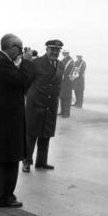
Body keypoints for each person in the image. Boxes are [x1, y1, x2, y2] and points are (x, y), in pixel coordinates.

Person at [0, 34, 31, 207]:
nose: (21, 52)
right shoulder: (2, 62)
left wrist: (21, 63)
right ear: (11, 47)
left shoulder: (0, 61)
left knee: (2, 159)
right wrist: (25, 62)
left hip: (4, 118)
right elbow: (22, 80)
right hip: (8, 120)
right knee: (10, 158)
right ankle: (4, 197)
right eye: (19, 48)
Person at [22, 40, 64, 173]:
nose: (55, 53)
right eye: (52, 49)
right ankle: (26, 162)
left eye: (57, 50)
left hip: (51, 104)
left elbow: (58, 84)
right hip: (35, 104)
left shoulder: (61, 65)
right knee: (31, 134)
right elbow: (26, 82)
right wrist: (32, 97)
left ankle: (41, 162)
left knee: (46, 134)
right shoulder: (37, 63)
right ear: (46, 49)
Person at [59, 50, 74, 118]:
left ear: (67, 53)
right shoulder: (63, 60)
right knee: (62, 96)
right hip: (62, 81)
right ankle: (62, 111)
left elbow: (70, 72)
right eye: (63, 53)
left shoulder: (71, 61)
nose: (63, 54)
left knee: (67, 97)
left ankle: (67, 113)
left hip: (67, 82)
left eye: (64, 53)